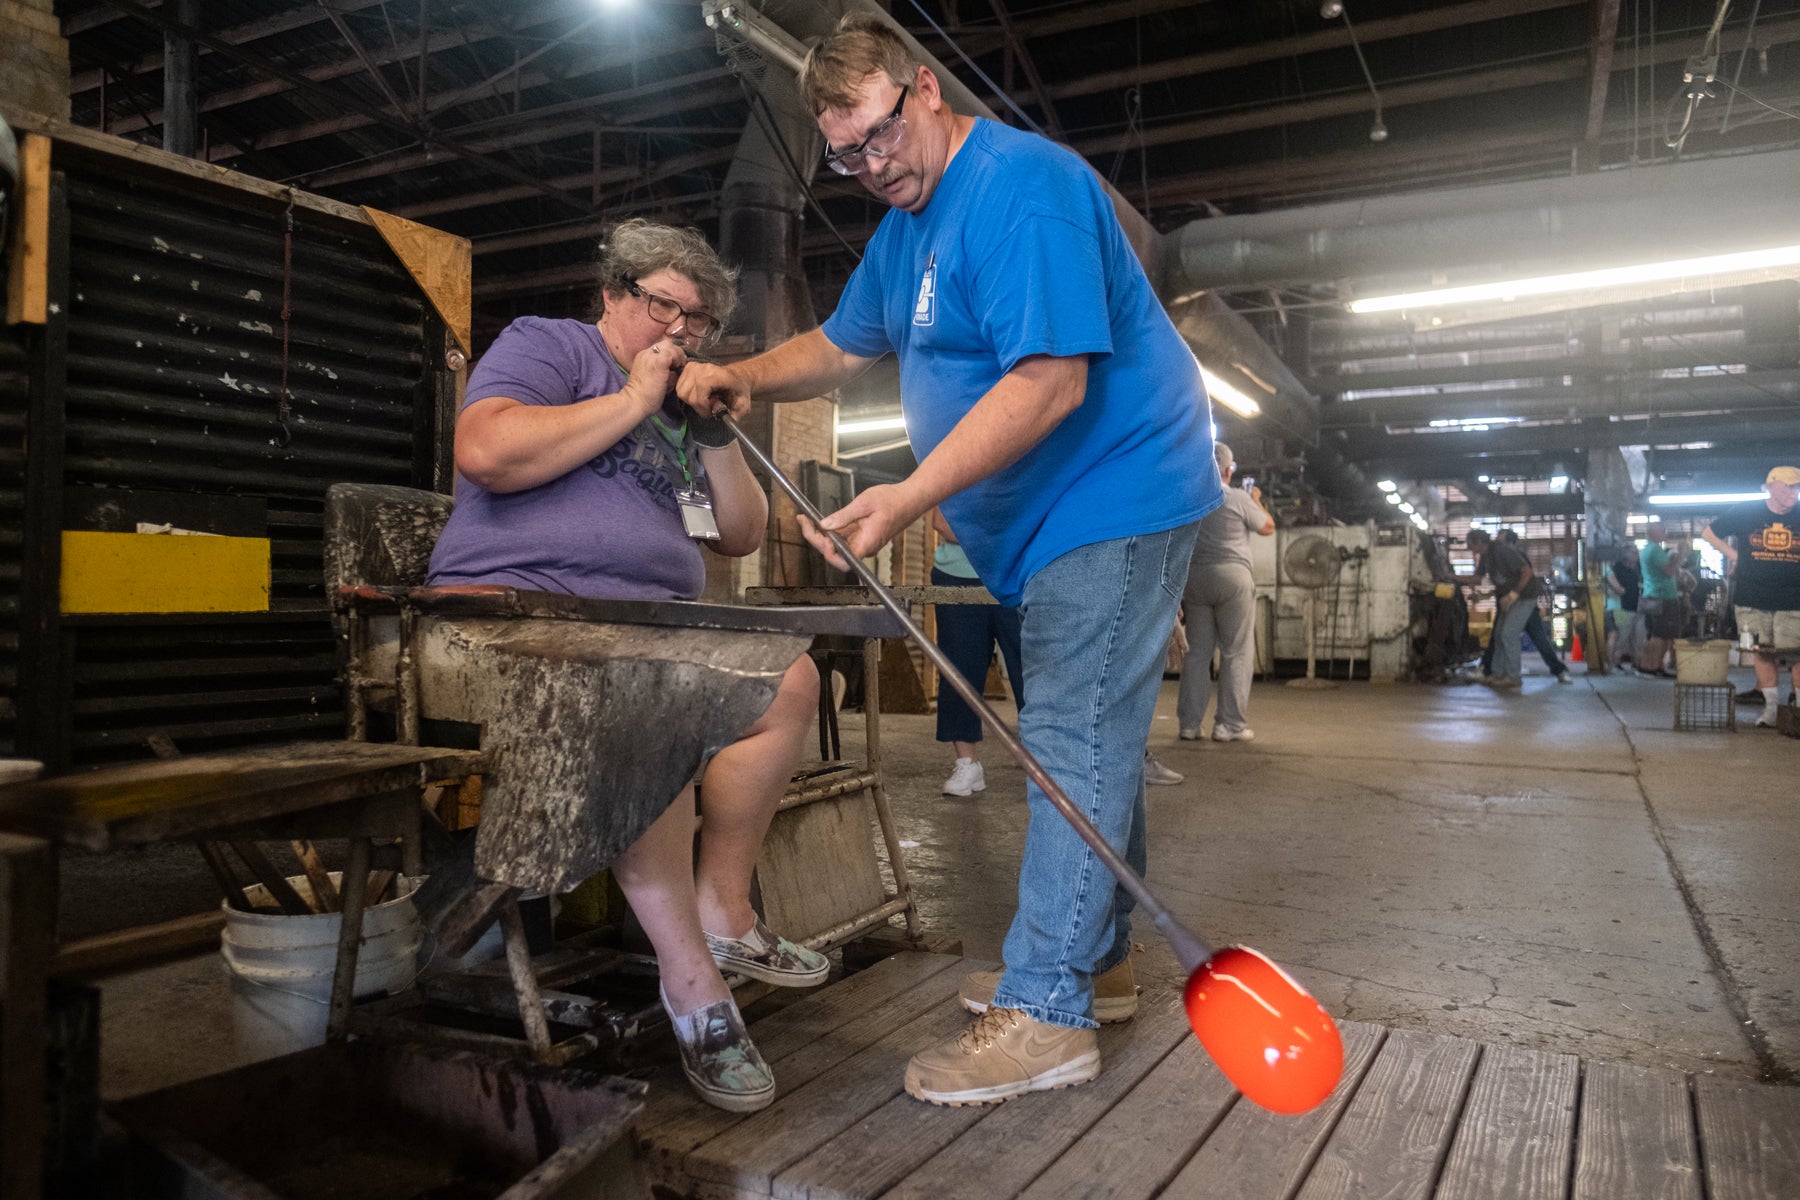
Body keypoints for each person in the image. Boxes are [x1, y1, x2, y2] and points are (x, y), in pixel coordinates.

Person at [677, 12, 1218, 1107]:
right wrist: (748, 377)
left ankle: (1048, 1010)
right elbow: (841, 342)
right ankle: (1097, 964)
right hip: (1031, 523)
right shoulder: (904, 229)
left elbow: (1052, 384)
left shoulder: (1025, 190)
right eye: (845, 155)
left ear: (924, 91)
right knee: (1091, 734)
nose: (871, 167)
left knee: (1071, 735)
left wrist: (909, 495)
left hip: (1113, 492)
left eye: (880, 135)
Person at [426, 219, 828, 1113]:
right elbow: (484, 451)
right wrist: (635, 400)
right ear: (612, 297)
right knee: (652, 702)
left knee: (792, 678)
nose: (677, 333)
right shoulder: (552, 347)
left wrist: (715, 432)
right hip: (511, 619)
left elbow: (741, 534)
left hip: (638, 626)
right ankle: (695, 994)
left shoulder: (682, 412)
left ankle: (725, 915)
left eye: (695, 323)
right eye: (660, 307)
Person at [1178, 442, 1274, 741]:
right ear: (1228, 470)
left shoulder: (1190, 497)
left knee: (1196, 655)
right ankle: (1229, 725)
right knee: (1235, 652)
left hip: (1195, 579)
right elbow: (1267, 527)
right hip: (1233, 579)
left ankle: (1190, 725)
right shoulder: (1238, 497)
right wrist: (1257, 499)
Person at [929, 507, 1026, 796]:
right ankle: (967, 764)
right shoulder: (951, 463)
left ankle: (1048, 762)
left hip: (1018, 575)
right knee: (959, 671)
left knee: (1033, 671)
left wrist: (972, 527)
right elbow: (943, 523)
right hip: (956, 575)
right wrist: (1005, 530)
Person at [1701, 465, 1800, 728]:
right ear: (1770, 487)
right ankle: (1770, 712)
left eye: (1796, 487)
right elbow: (1709, 533)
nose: (1793, 492)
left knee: (1797, 653)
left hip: (1795, 597)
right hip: (1752, 596)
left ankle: (1798, 710)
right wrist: (1736, 557)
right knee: (1761, 651)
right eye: (1787, 487)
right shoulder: (1748, 511)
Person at [1457, 529, 1540, 688]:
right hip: (1507, 598)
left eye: (1470, 545)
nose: (1470, 549)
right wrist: (1452, 577)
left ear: (1480, 542)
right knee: (1499, 634)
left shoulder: (1502, 551)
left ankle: (1513, 676)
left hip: (1524, 596)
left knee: (1508, 634)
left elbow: (1526, 572)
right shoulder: (1486, 556)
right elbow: (1478, 578)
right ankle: (1498, 673)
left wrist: (1513, 595)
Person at [1638, 520, 1686, 678]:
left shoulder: (1646, 550)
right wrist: (1682, 554)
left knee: (1652, 633)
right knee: (1662, 634)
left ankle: (1646, 665)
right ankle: (1655, 666)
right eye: (1663, 530)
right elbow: (1670, 571)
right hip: (1663, 597)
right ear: (1654, 533)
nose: (1666, 533)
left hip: (1650, 595)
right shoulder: (1656, 551)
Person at [1605, 549, 1643, 672]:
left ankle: (1636, 662)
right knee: (1622, 636)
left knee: (1638, 636)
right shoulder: (1616, 568)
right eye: (1633, 552)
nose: (1636, 555)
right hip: (1622, 606)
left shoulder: (1638, 568)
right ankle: (1615, 661)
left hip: (1638, 605)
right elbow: (1618, 589)